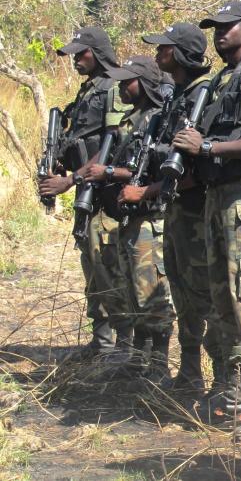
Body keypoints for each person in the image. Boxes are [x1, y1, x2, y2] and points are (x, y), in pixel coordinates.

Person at [172, 0, 241, 441]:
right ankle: (234, 397)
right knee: (223, 301)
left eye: (227, 25)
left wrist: (208, 148)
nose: (219, 32)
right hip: (216, 200)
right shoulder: (221, 80)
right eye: (214, 27)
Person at [39, 27, 133, 362]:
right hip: (86, 191)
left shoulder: (113, 88)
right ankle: (102, 337)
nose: (76, 59)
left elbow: (114, 142)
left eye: (82, 53)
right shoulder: (87, 91)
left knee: (108, 263)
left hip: (105, 192)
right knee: (91, 263)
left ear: (98, 52)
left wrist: (71, 180)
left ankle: (125, 342)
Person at [142, 22, 219, 396]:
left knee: (208, 295)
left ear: (183, 53)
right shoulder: (176, 95)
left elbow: (204, 158)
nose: (158, 54)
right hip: (176, 210)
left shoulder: (205, 93)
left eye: (165, 48)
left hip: (198, 210)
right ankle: (190, 372)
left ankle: (225, 383)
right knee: (183, 293)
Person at [93, 56, 177, 384]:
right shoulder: (134, 119)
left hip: (150, 219)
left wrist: (113, 173)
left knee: (153, 292)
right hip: (131, 220)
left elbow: (160, 169)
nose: (121, 86)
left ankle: (158, 364)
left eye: (127, 81)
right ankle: (139, 359)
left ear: (143, 83)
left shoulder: (158, 119)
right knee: (133, 292)